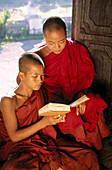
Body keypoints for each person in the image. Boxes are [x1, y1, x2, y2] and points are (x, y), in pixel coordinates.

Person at [0, 52, 99, 170]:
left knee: (89, 156)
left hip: (41, 139)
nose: (40, 80)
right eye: (35, 76)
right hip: (19, 145)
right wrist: (45, 122)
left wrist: (56, 117)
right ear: (21, 75)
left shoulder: (39, 91)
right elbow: (14, 137)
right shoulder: (8, 100)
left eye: (42, 76)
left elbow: (50, 109)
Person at [34, 16, 110, 150]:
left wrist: (81, 94)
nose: (57, 47)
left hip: (77, 95)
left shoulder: (76, 49)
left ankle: (94, 145)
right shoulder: (39, 57)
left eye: (61, 41)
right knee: (70, 116)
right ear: (44, 38)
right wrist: (43, 52)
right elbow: (24, 76)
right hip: (55, 101)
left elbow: (86, 79)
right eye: (51, 43)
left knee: (92, 103)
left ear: (66, 34)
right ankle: (83, 147)